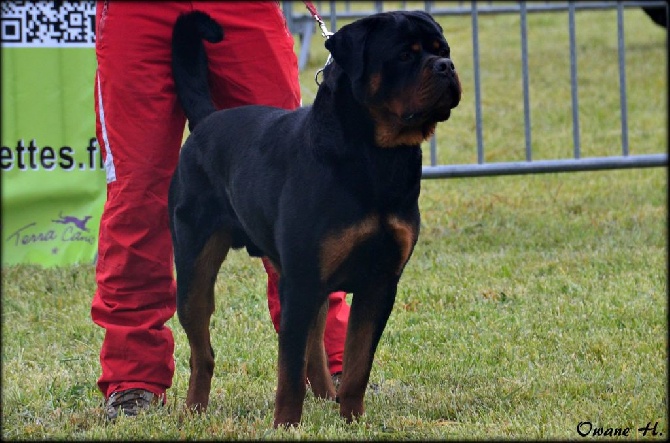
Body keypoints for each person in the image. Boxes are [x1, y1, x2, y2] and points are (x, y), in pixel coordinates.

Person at [91, 1, 350, 420]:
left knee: (296, 187)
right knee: (136, 196)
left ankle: (330, 359)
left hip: (244, 8)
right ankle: (133, 378)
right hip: (135, 11)